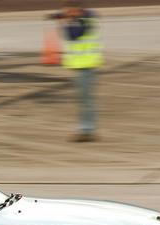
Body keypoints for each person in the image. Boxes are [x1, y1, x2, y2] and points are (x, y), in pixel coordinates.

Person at [49, 1, 103, 142]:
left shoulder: (85, 21)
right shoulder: (80, 19)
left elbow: (73, 35)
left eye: (70, 12)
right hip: (81, 66)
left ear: (77, 10)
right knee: (84, 100)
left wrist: (63, 22)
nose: (68, 15)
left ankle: (86, 130)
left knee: (86, 100)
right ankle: (86, 130)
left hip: (86, 66)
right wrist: (63, 19)